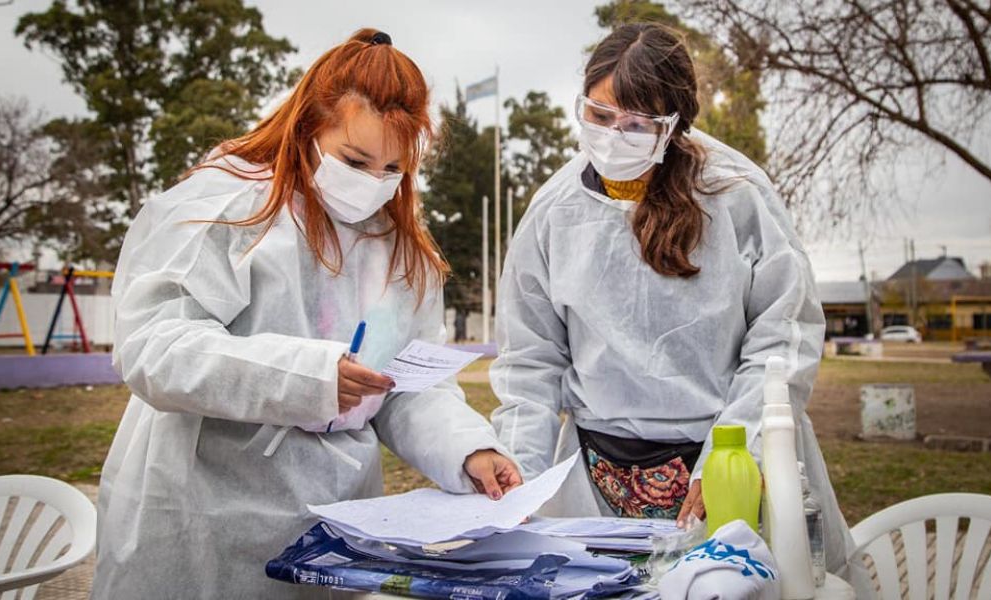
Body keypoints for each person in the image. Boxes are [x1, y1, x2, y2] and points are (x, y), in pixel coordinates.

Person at [93, 29, 521, 599]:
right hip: (204, 515)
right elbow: (155, 347)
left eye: (391, 167)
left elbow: (404, 383)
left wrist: (468, 449)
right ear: (309, 126)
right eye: (354, 159)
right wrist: (311, 376)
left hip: (333, 525)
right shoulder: (228, 206)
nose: (372, 183)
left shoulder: (395, 249)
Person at [490, 23, 870, 590]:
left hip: (728, 468)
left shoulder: (735, 194)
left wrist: (736, 454)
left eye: (638, 124)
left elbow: (782, 335)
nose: (615, 135)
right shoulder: (554, 211)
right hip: (597, 482)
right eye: (598, 114)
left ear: (674, 123)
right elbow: (529, 361)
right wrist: (521, 479)